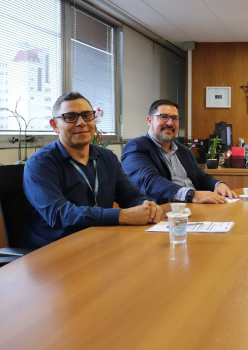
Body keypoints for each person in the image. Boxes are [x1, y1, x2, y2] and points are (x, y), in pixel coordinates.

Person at [24, 92, 162, 249]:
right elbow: (60, 214)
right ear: (55, 125)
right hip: (57, 249)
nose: (81, 123)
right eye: (70, 117)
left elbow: (129, 195)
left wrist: (146, 206)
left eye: (87, 115)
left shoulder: (107, 157)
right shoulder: (40, 164)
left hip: (101, 241)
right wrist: (122, 215)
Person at [121, 99, 237, 205]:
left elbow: (200, 177)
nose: (170, 123)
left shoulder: (184, 151)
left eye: (174, 118)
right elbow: (150, 181)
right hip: (164, 213)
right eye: (163, 117)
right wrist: (192, 195)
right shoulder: (136, 147)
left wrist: (219, 184)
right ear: (149, 120)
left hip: (194, 208)